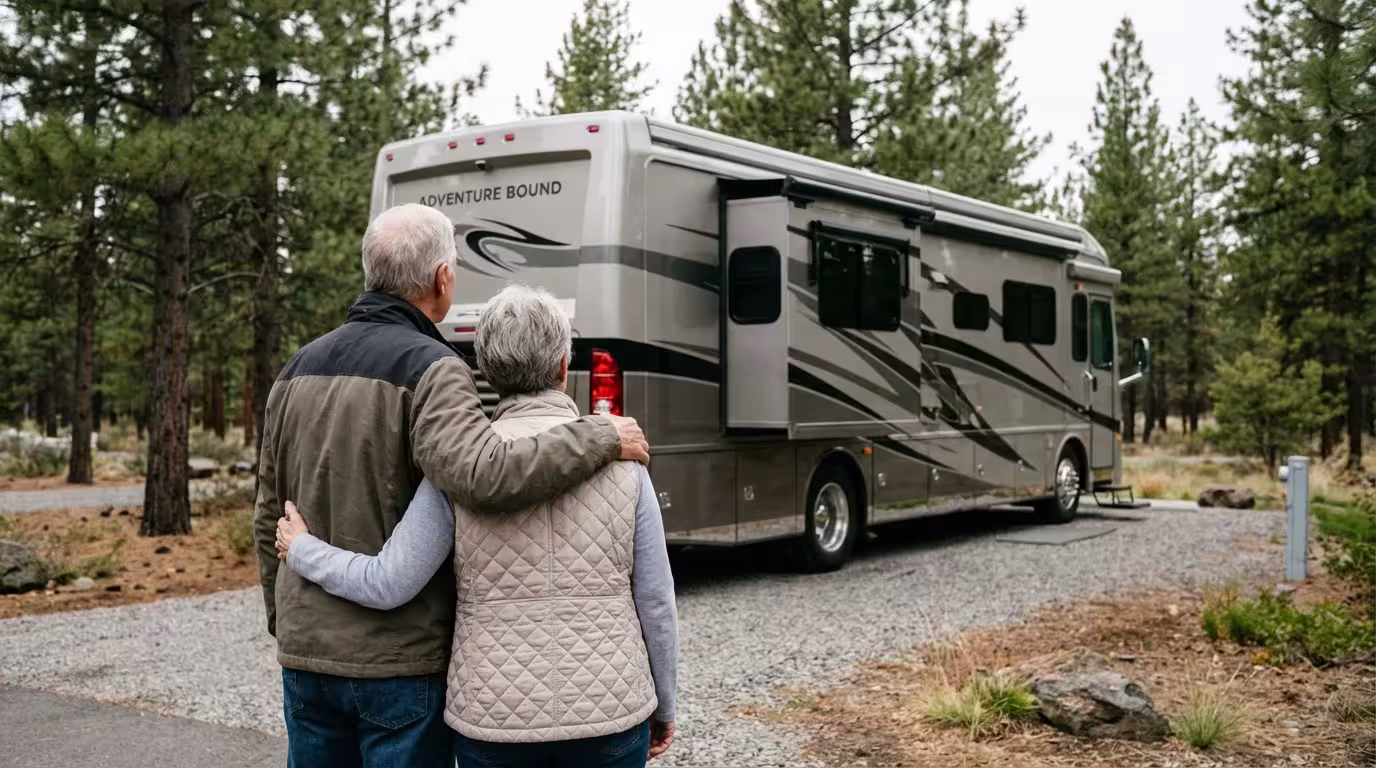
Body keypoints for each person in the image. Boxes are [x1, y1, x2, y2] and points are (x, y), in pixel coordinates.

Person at [254, 205, 650, 768]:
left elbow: (268, 507)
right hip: (397, 662)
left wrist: (285, 620)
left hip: (306, 656)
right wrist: (599, 436)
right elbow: (485, 476)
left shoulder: (297, 366)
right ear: (442, 278)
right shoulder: (432, 367)